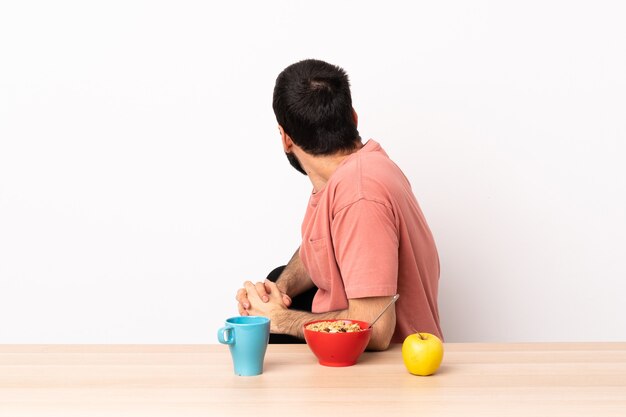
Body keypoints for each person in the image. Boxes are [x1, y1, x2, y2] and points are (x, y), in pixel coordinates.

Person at [236, 59, 442, 351]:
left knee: (269, 333)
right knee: (276, 276)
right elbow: (320, 249)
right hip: (350, 359)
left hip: (387, 374)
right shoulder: (349, 175)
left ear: (285, 138)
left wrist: (281, 319)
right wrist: (277, 292)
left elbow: (376, 328)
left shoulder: (359, 196)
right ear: (353, 118)